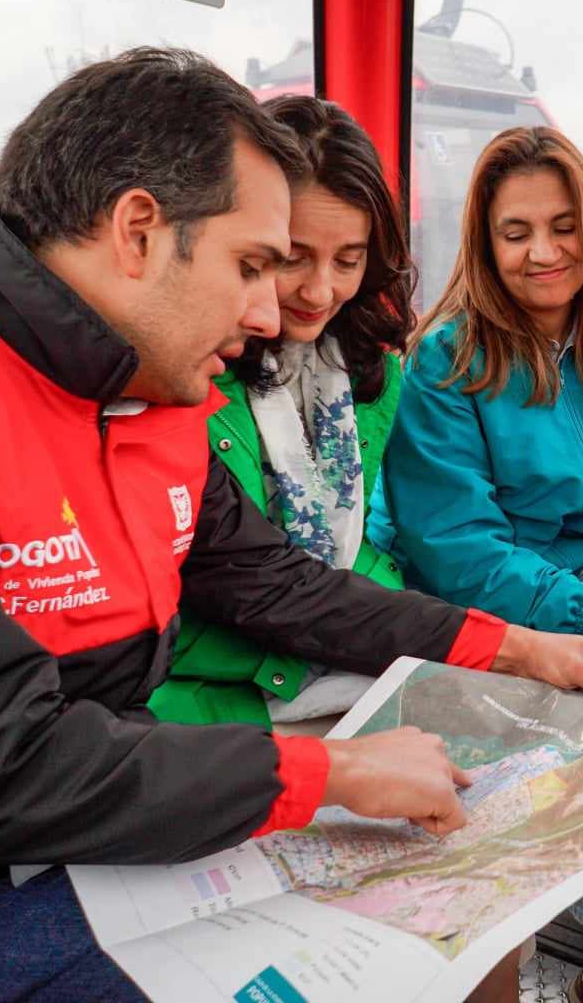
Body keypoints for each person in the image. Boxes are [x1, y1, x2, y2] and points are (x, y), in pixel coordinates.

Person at [0, 48, 583, 1001]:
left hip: (69, 862)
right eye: (253, 266)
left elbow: (281, 586)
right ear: (140, 231)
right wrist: (330, 772)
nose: (275, 310)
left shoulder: (152, 404)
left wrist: (519, 646)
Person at [367, 127, 583, 1002]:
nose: (543, 252)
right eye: (516, 232)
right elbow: (456, 550)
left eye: (562, 226)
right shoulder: (449, 359)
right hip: (468, 602)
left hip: (565, 590)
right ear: (486, 244)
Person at [151, 95, 414, 729]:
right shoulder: (186, 373)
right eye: (292, 258)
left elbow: (368, 538)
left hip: (347, 660)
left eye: (348, 262)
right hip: (213, 691)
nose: (320, 291)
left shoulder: (370, 373)